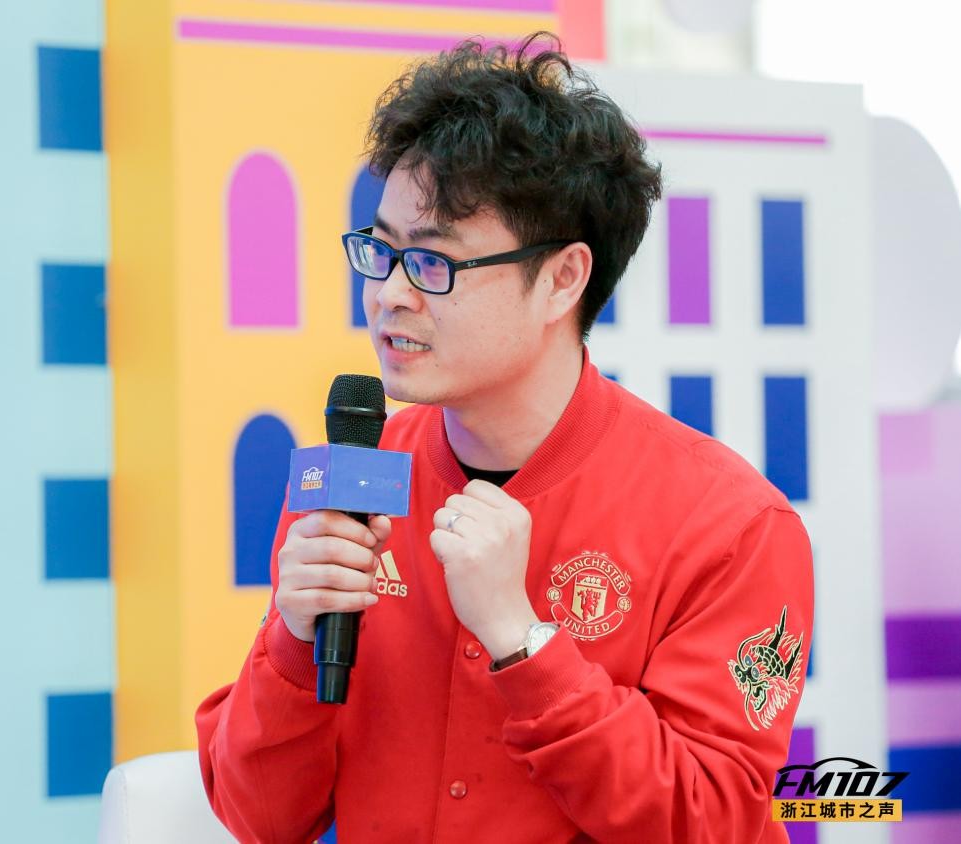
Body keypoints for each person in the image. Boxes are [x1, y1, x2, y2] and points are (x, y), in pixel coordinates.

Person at [197, 32, 813, 843]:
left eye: (433, 263)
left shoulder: (728, 526)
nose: (387, 295)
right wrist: (293, 638)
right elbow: (262, 818)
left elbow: (709, 819)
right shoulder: (349, 481)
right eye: (380, 251)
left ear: (562, 279)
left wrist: (523, 642)